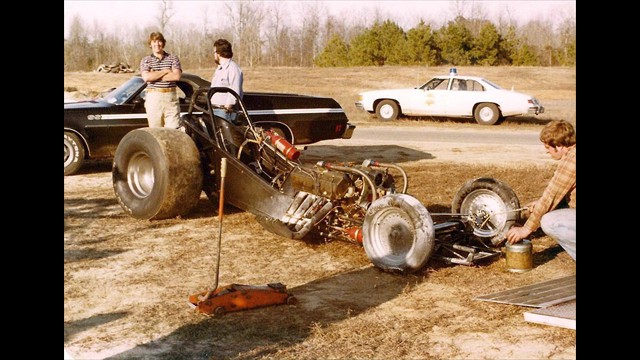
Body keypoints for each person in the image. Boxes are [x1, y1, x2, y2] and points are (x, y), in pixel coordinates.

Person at [506, 120, 576, 261]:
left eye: (548, 147)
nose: (546, 151)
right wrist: (540, 204)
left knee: (549, 221)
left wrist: (526, 229)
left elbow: (551, 195)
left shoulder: (572, 160)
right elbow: (563, 194)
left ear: (559, 145)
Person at [139, 32, 182, 128]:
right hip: (154, 98)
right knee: (156, 132)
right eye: (154, 42)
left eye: (159, 41)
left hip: (170, 98)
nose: (157, 44)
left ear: (163, 43)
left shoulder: (173, 58)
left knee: (173, 131)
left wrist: (154, 74)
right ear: (150, 44)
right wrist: (166, 71)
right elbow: (147, 78)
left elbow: (176, 76)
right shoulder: (146, 60)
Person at [210, 38, 243, 123]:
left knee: (226, 136)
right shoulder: (220, 69)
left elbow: (235, 90)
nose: (214, 55)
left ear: (218, 53)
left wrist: (226, 108)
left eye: (214, 52)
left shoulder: (233, 68)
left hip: (225, 111)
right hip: (215, 110)